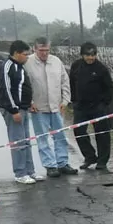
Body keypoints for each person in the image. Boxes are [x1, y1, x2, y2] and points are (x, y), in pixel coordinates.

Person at [25, 36, 78, 179]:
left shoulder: (56, 61)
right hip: (38, 107)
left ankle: (63, 163)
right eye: (41, 50)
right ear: (34, 49)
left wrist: (65, 101)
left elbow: (64, 82)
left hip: (56, 106)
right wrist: (29, 102)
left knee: (60, 136)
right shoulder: (27, 63)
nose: (44, 53)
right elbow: (24, 85)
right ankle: (50, 165)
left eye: (47, 50)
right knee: (43, 138)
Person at [0, 40, 43, 184]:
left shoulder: (20, 66)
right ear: (16, 53)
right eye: (25, 54)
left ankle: (30, 171)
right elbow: (6, 89)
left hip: (24, 108)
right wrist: (13, 109)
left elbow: (22, 88)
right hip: (14, 110)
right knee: (18, 142)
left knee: (26, 141)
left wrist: (29, 103)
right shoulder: (7, 66)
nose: (27, 57)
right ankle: (20, 173)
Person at [69, 42, 113, 170]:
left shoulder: (101, 69)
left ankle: (102, 161)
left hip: (98, 107)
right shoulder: (76, 66)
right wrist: (74, 101)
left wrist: (104, 104)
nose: (90, 58)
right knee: (79, 132)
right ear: (82, 55)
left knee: (102, 134)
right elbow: (71, 84)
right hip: (81, 107)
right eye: (87, 55)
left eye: (93, 55)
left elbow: (109, 88)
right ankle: (89, 157)